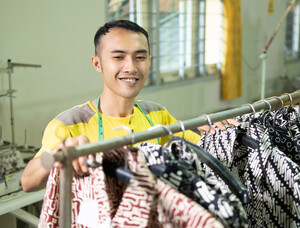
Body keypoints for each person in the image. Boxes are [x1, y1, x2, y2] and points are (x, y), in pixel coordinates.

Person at [21, 20, 236, 192]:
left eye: (140, 57)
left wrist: (214, 129)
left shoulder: (156, 114)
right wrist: (58, 156)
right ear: (97, 64)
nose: (131, 67)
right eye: (118, 57)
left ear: (149, 61)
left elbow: (202, 149)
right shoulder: (70, 124)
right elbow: (28, 183)